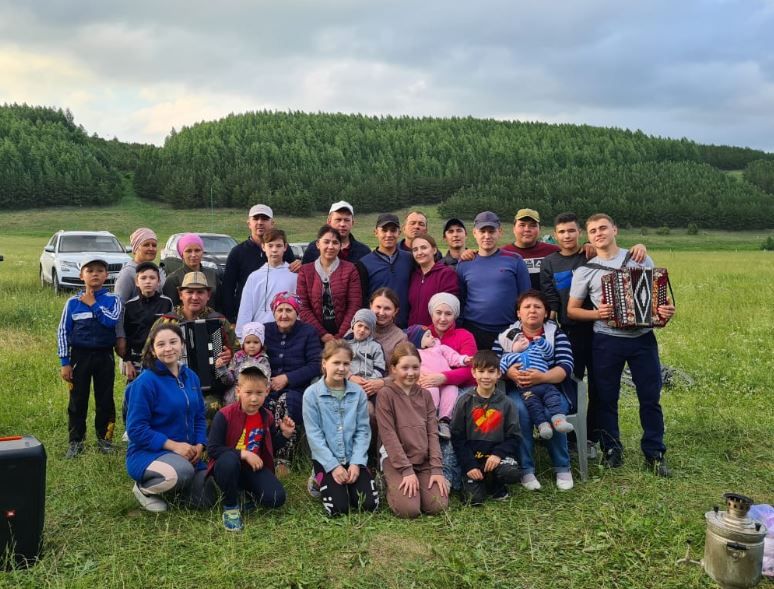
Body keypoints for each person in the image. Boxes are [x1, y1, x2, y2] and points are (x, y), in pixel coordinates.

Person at [568, 213, 675, 477]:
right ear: (589, 237)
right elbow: (572, 310)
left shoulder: (640, 258)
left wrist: (665, 312)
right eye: (592, 231)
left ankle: (654, 452)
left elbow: (656, 300)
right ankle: (611, 448)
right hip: (606, 340)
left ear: (614, 229)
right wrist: (597, 314)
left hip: (643, 340)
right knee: (605, 398)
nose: (598, 233)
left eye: (603, 228)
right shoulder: (585, 271)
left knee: (650, 398)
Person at [540, 212, 647, 458]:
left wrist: (638, 247)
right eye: (562, 232)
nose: (567, 236)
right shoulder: (550, 263)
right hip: (569, 333)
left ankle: (594, 437)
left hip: (600, 334)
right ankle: (569, 437)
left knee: (601, 388)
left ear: (580, 233)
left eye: (571, 231)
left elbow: (616, 256)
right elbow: (551, 298)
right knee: (571, 384)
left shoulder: (589, 254)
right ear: (555, 235)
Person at [125, 323, 215, 512]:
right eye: (161, 344)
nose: (168, 349)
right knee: (182, 472)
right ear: (152, 349)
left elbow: (199, 416)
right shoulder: (145, 382)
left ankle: (176, 486)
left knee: (204, 500)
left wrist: (200, 444)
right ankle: (144, 488)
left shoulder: (191, 377)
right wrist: (174, 446)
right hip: (148, 453)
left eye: (173, 342)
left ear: (182, 344)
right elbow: (135, 430)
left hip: (188, 454)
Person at [494, 290, 576, 491]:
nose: (532, 310)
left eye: (538, 307)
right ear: (518, 313)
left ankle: (562, 466)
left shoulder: (555, 334)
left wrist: (543, 377)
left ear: (546, 313)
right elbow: (493, 363)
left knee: (552, 412)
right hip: (519, 390)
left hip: (552, 388)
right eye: (527, 307)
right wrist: (509, 374)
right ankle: (526, 469)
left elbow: (566, 366)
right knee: (519, 410)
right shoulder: (506, 336)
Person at [207, 362, 294, 531]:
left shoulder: (266, 417)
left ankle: (245, 491)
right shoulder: (224, 415)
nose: (254, 398)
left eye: (259, 393)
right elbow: (213, 449)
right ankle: (231, 506)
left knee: (276, 498)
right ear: (238, 391)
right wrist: (244, 454)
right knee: (230, 461)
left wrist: (284, 434)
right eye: (248, 393)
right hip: (227, 467)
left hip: (252, 468)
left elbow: (271, 447)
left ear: (267, 392)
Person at [147, 271, 238, 422]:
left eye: (200, 292)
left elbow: (240, 352)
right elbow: (148, 355)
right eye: (189, 292)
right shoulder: (166, 322)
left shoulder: (218, 321)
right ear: (180, 294)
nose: (194, 297)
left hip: (210, 388)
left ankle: (203, 444)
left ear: (208, 295)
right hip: (170, 384)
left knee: (211, 406)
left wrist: (230, 355)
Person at [303, 340, 379, 517]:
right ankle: (318, 476)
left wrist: (356, 462)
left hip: (352, 455)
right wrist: (333, 466)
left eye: (346, 363)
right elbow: (314, 435)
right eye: (336, 363)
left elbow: (362, 430)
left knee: (367, 505)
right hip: (326, 458)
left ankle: (363, 475)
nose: (341, 368)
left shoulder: (358, 392)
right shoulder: (312, 394)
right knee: (338, 509)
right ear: (324, 363)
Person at [57, 256, 123, 458]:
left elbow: (111, 321)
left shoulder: (114, 300)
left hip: (105, 356)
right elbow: (62, 332)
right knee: (77, 400)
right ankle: (76, 442)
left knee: (105, 399)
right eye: (90, 270)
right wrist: (65, 362)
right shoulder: (72, 303)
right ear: (81, 275)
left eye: (100, 270)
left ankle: (105, 439)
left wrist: (93, 303)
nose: (95, 274)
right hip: (80, 357)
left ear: (107, 275)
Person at [376, 342, 449, 518]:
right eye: (405, 367)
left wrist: (437, 469)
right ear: (393, 368)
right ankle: (386, 481)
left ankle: (420, 482)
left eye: (415, 367)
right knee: (409, 510)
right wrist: (406, 470)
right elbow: (389, 436)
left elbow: (432, 433)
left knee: (437, 506)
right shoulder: (386, 395)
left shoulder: (425, 395)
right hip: (396, 461)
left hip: (422, 460)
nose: (411, 373)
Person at [450, 350, 521, 504]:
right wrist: (469, 465)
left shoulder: (507, 403)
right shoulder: (464, 401)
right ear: (473, 373)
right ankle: (476, 481)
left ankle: (496, 482)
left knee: (511, 473)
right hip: (473, 458)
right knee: (474, 500)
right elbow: (457, 436)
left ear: (499, 374)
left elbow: (514, 436)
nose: (486, 376)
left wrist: (498, 454)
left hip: (496, 458)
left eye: (491, 371)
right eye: (481, 371)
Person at [263, 291, 322, 470]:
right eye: (280, 310)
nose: (284, 315)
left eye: (289, 310)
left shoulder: (308, 332)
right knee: (265, 404)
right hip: (266, 386)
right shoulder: (265, 330)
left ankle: (283, 459)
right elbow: (252, 354)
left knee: (287, 402)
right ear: (274, 312)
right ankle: (263, 453)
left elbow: (316, 364)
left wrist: (287, 378)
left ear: (297, 312)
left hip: (296, 388)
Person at [457, 211, 530, 350]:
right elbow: (461, 298)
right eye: (482, 231)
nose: (487, 236)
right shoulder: (464, 264)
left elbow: (525, 296)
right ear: (474, 233)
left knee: (508, 370)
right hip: (473, 329)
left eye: (491, 231)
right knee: (478, 370)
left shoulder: (515, 260)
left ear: (500, 232)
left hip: (508, 329)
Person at [221, 204, 298, 322]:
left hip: (282, 319)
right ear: (249, 223)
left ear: (272, 223)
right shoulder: (237, 252)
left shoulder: (285, 251)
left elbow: (293, 272)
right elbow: (228, 288)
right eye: (256, 218)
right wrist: (231, 318)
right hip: (248, 318)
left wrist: (299, 265)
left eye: (265, 218)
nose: (260, 222)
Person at [499, 331, 574, 440]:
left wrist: (542, 342)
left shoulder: (535, 348)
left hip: (545, 384)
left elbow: (548, 354)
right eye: (517, 340)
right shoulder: (508, 357)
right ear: (509, 347)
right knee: (534, 406)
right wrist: (508, 372)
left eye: (522, 337)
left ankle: (559, 420)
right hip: (527, 389)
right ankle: (543, 426)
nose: (522, 339)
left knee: (553, 398)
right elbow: (498, 370)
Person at [297, 225, 362, 342]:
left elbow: (354, 304)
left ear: (340, 246)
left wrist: (340, 336)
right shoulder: (305, 271)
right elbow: (303, 307)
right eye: (326, 242)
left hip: (345, 336)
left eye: (335, 243)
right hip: (314, 335)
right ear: (318, 244)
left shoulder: (350, 269)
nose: (330, 247)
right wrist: (323, 335)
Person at [406, 325, 470, 440]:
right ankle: (430, 419)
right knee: (431, 391)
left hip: (444, 379)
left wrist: (464, 360)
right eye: (428, 336)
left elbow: (453, 357)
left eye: (431, 334)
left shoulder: (440, 348)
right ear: (419, 341)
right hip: (427, 381)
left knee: (452, 389)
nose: (432, 337)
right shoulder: (415, 353)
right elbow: (410, 368)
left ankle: (444, 420)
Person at [118, 262, 173, 382]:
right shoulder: (130, 306)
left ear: (158, 282)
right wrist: (127, 362)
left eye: (152, 278)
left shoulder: (166, 303)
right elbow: (126, 334)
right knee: (135, 393)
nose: (148, 281)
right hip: (136, 360)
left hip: (160, 358)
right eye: (143, 278)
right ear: (137, 282)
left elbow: (172, 331)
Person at [236, 228, 297, 337]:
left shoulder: (294, 275)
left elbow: (299, 308)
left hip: (288, 334)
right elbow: (246, 309)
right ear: (263, 247)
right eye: (270, 245)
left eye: (278, 246)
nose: (274, 250)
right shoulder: (254, 277)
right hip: (259, 336)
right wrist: (241, 335)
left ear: (285, 247)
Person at [357, 214, 414, 327]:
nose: (389, 234)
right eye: (384, 230)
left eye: (393, 230)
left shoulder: (410, 259)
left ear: (399, 232)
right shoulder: (364, 263)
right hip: (376, 326)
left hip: (405, 325)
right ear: (376, 232)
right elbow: (362, 299)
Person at [356, 288, 408, 398]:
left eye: (387, 308)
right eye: (378, 307)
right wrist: (350, 377)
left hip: (379, 391)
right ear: (370, 306)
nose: (381, 313)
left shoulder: (400, 338)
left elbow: (401, 370)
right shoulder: (358, 327)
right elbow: (337, 356)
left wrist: (382, 382)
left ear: (396, 311)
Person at [501, 209, 560, 290]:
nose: (527, 229)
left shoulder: (554, 251)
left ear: (539, 229)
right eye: (522, 225)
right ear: (514, 229)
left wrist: (584, 247)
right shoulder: (502, 254)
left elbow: (573, 254)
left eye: (532, 225)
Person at [407, 234, 458, 326]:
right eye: (415, 250)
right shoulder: (414, 276)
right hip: (414, 332)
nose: (419, 252)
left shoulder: (446, 274)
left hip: (435, 334)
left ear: (434, 250)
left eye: (423, 248)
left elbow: (448, 309)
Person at [163, 233, 221, 310]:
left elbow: (220, 303)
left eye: (197, 250)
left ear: (202, 252)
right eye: (188, 251)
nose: (193, 255)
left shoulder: (212, 275)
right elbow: (170, 308)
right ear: (182, 254)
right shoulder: (173, 279)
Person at [301, 201, 371, 263]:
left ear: (352, 223)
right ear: (329, 221)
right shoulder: (313, 248)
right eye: (338, 219)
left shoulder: (364, 252)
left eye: (347, 220)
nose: (342, 224)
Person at [223, 322, 271, 404]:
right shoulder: (237, 357)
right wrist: (222, 368)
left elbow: (266, 381)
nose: (252, 345)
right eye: (248, 342)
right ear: (243, 344)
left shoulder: (263, 359)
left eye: (256, 342)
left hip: (254, 392)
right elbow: (230, 379)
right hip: (235, 393)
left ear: (261, 343)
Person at [114, 227, 165, 302]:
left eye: (154, 245)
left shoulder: (158, 270)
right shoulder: (127, 273)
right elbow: (119, 303)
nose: (151, 248)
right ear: (136, 248)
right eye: (146, 245)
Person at [345, 309, 386, 381]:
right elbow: (338, 365)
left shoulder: (375, 347)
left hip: (368, 383)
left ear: (371, 331)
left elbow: (380, 368)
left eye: (367, 328)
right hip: (348, 381)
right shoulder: (344, 344)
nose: (362, 330)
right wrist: (349, 377)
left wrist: (370, 382)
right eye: (360, 325)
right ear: (353, 325)